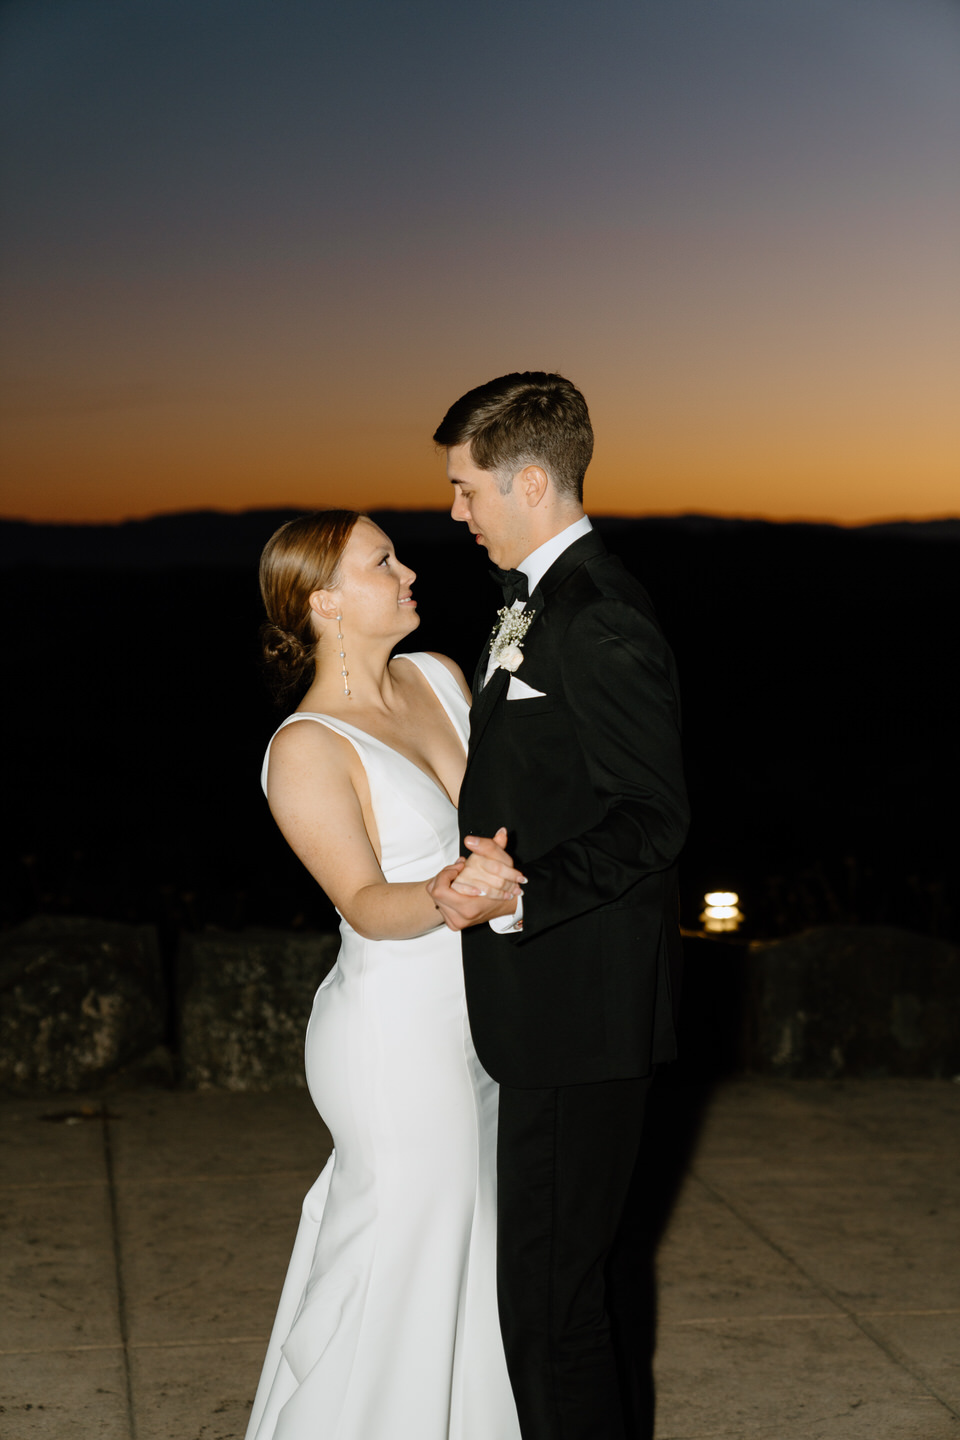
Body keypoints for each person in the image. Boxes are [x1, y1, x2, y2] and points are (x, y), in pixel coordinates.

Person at [428, 372, 690, 1440]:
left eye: (466, 489)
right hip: (550, 1015)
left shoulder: (600, 616)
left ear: (529, 481)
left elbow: (652, 817)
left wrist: (522, 891)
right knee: (563, 1295)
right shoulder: (531, 601)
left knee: (550, 1311)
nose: (455, 512)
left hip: (579, 1014)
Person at [245, 510, 523, 1440]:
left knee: (474, 1252)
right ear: (324, 602)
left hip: (478, 1017)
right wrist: (445, 892)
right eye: (382, 562)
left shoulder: (442, 679)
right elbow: (364, 900)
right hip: (395, 1037)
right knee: (403, 1254)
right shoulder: (305, 748)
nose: (408, 571)